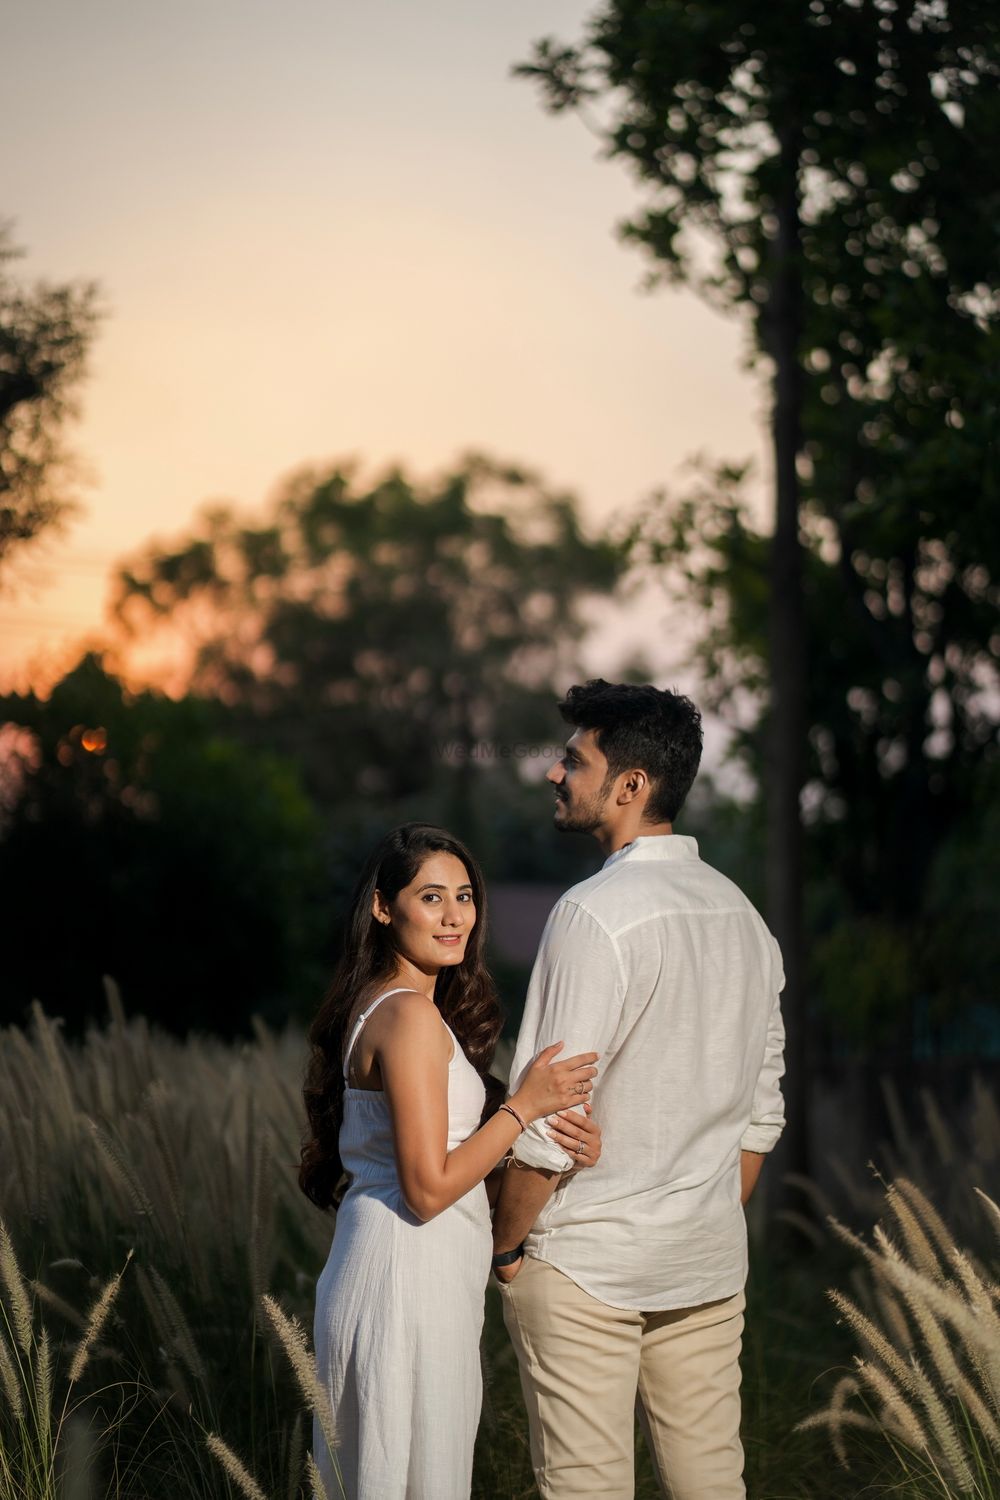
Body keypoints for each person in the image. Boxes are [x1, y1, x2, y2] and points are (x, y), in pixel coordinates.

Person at [491, 680, 787, 1500]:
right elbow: (762, 1116)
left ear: (630, 787)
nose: (555, 775)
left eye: (572, 761)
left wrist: (507, 1248)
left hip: (586, 1265)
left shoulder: (593, 915)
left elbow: (548, 1116)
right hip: (706, 1265)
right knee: (711, 1488)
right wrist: (701, 1220)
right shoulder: (745, 919)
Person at [299, 822, 603, 1500]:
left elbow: (452, 1167)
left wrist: (558, 1154)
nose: (453, 915)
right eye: (430, 897)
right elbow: (430, 1189)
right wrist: (522, 1108)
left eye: (463, 896)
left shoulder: (398, 1007)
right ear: (383, 908)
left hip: (415, 1273)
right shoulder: (405, 1014)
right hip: (403, 1280)